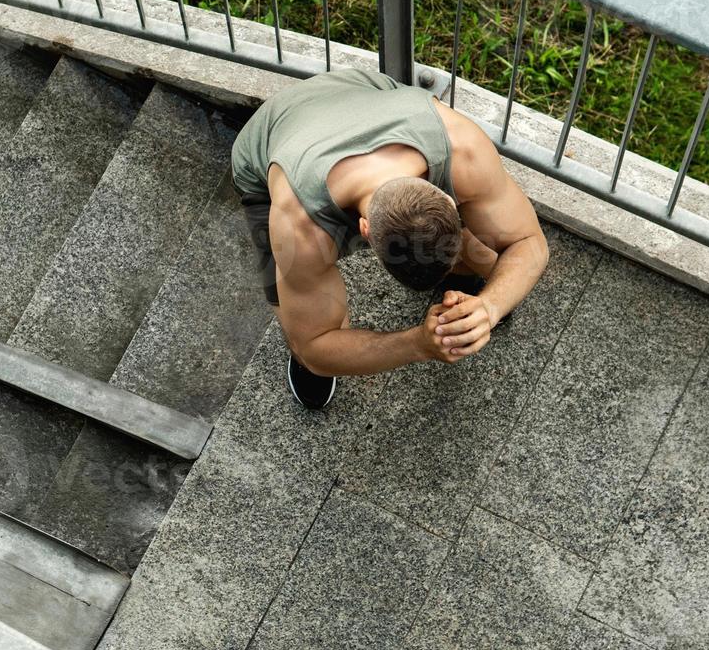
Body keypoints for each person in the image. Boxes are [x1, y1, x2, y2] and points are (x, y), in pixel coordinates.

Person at [232, 67, 549, 409]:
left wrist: (489, 306)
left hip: (352, 90)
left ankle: (467, 275)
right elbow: (315, 346)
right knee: (299, 311)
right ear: (364, 231)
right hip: (269, 142)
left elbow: (530, 242)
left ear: (446, 197)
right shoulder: (299, 226)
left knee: (487, 248)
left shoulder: (463, 150)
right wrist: (418, 344)